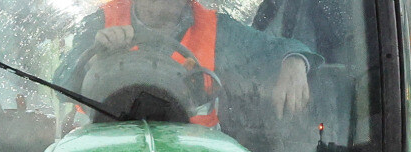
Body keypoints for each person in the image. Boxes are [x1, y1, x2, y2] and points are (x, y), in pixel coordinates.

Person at [54, 0, 320, 123]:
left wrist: (294, 60)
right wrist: (95, 60)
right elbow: (61, 83)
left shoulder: (219, 29)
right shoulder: (101, 20)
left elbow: (274, 48)